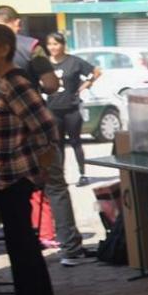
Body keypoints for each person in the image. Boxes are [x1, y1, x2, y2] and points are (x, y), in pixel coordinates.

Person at [0, 6, 89, 267]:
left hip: (15, 160)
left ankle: (39, 288)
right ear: (16, 23)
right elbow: (51, 85)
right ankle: (69, 247)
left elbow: (44, 125)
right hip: (10, 159)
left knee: (20, 229)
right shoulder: (32, 47)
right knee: (50, 194)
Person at [0, 23, 59, 295]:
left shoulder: (15, 83)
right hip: (2, 177)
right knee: (22, 239)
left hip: (14, 177)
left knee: (19, 242)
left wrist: (41, 165)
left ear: (4, 48)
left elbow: (46, 126)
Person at [44, 32, 101, 185]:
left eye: (56, 44)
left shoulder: (74, 62)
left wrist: (83, 87)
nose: (53, 47)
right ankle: (59, 176)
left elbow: (96, 71)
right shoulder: (45, 64)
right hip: (53, 108)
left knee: (75, 141)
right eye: (50, 44)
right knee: (58, 144)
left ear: (63, 45)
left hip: (72, 107)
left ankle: (82, 174)